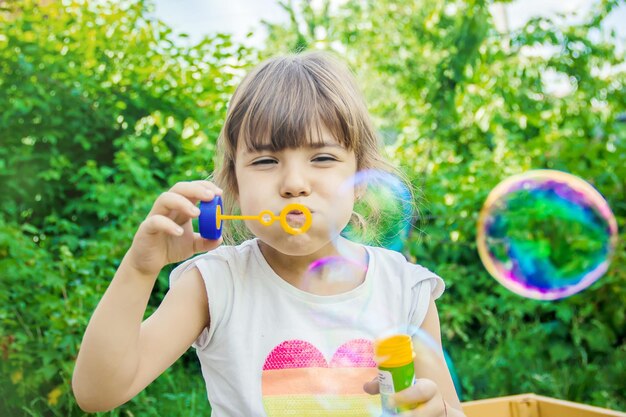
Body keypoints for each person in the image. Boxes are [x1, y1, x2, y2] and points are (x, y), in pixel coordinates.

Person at [72, 51, 466, 417]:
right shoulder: (216, 284)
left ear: (360, 179)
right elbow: (99, 392)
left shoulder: (402, 288)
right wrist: (141, 270)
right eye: (265, 160)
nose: (294, 184)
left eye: (323, 158)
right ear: (234, 187)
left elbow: (448, 409)